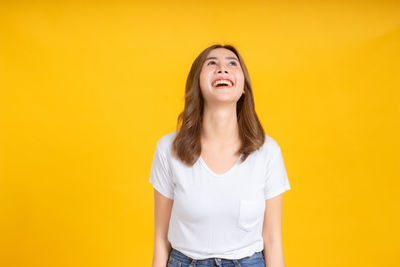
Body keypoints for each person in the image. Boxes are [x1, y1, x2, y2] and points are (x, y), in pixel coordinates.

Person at [149, 43, 291, 267]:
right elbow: (160, 239)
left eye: (232, 64)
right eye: (212, 63)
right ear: (197, 82)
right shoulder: (168, 148)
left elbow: (273, 240)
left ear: (244, 87)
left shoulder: (267, 151)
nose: (223, 68)